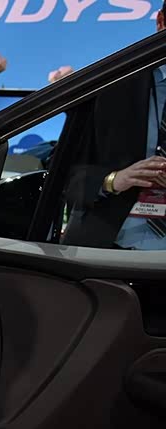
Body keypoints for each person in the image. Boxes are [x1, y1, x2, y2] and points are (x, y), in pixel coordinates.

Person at [61, 1, 166, 249]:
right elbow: (66, 175)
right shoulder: (109, 87)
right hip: (108, 247)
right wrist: (114, 180)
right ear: (161, 22)